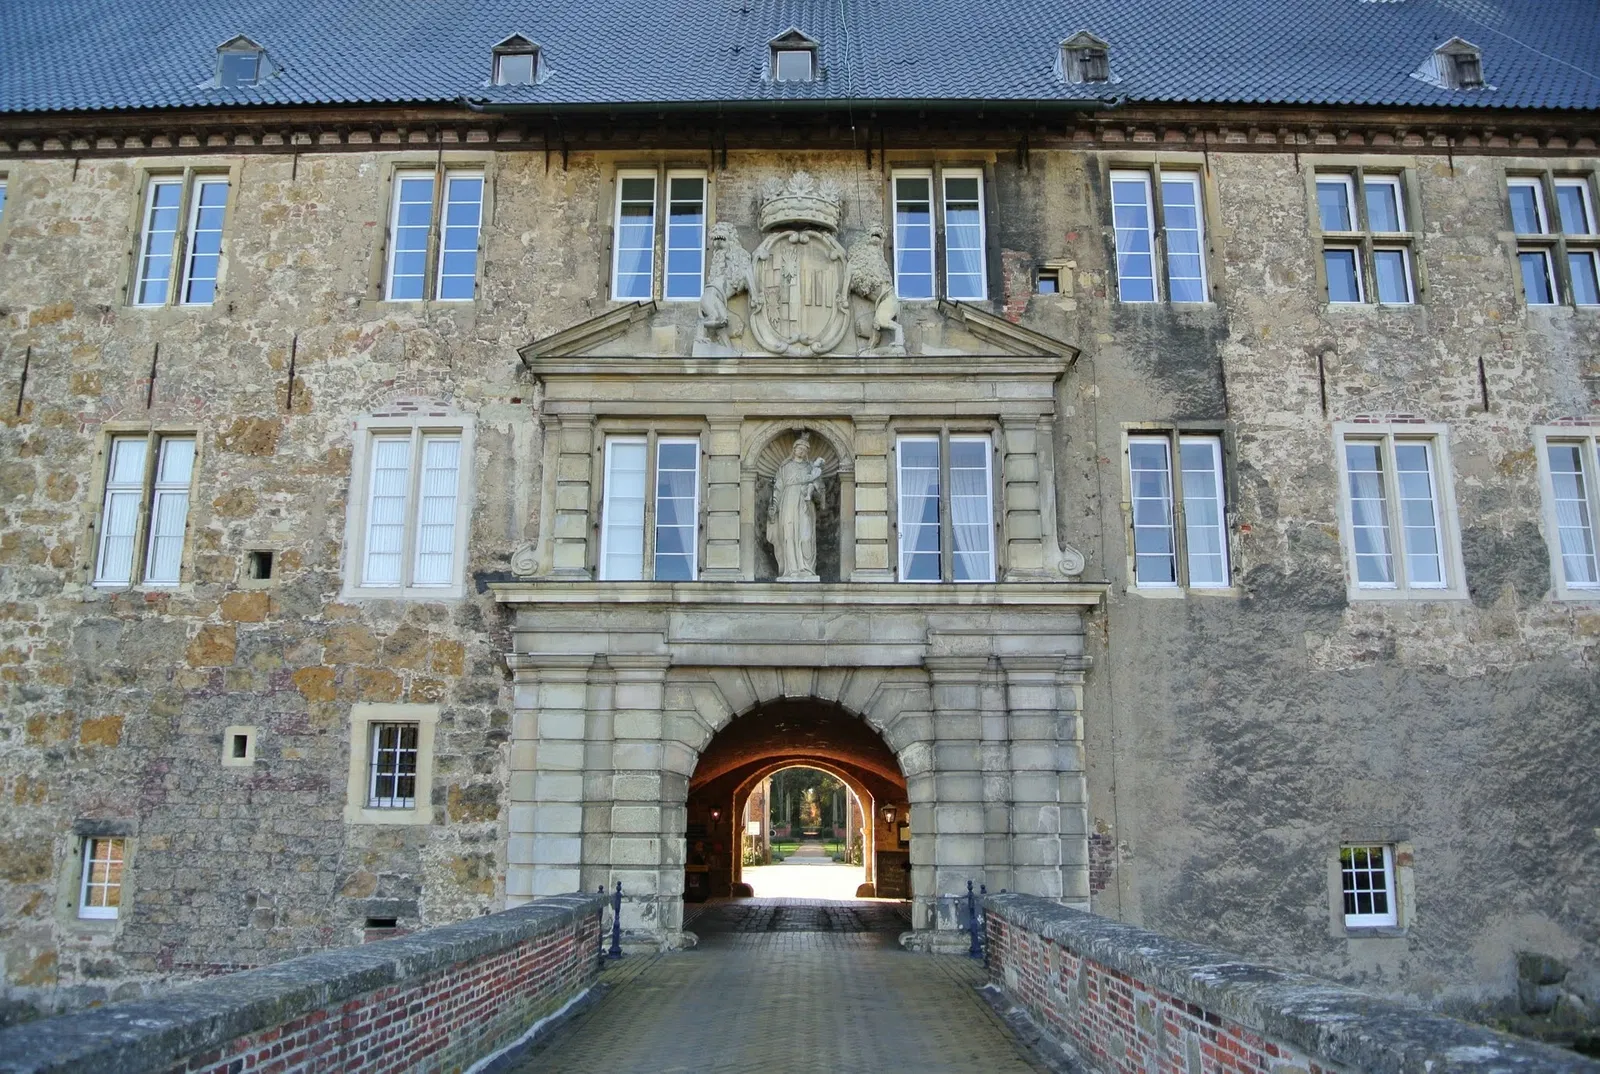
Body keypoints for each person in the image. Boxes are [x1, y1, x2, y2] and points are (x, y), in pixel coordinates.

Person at [767, 432, 823, 579]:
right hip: (788, 502)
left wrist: (815, 488)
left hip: (805, 504)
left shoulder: (811, 468)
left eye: (805, 449)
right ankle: (791, 570)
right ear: (794, 449)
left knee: (806, 536)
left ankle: (806, 569)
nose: (802, 451)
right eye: (799, 448)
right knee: (789, 535)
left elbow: (820, 491)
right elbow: (778, 487)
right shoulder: (785, 467)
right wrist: (774, 505)